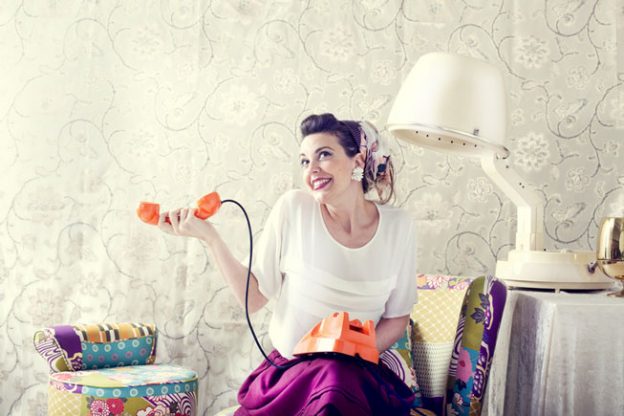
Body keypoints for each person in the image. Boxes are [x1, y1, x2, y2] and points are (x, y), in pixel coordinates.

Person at [158, 113, 418, 415]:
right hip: (295, 376)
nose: (312, 170)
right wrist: (211, 239)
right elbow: (254, 298)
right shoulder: (294, 208)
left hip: (358, 375)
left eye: (324, 155)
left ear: (358, 161)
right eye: (305, 161)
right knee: (333, 381)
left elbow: (397, 318)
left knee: (338, 379)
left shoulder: (399, 226)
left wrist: (354, 347)